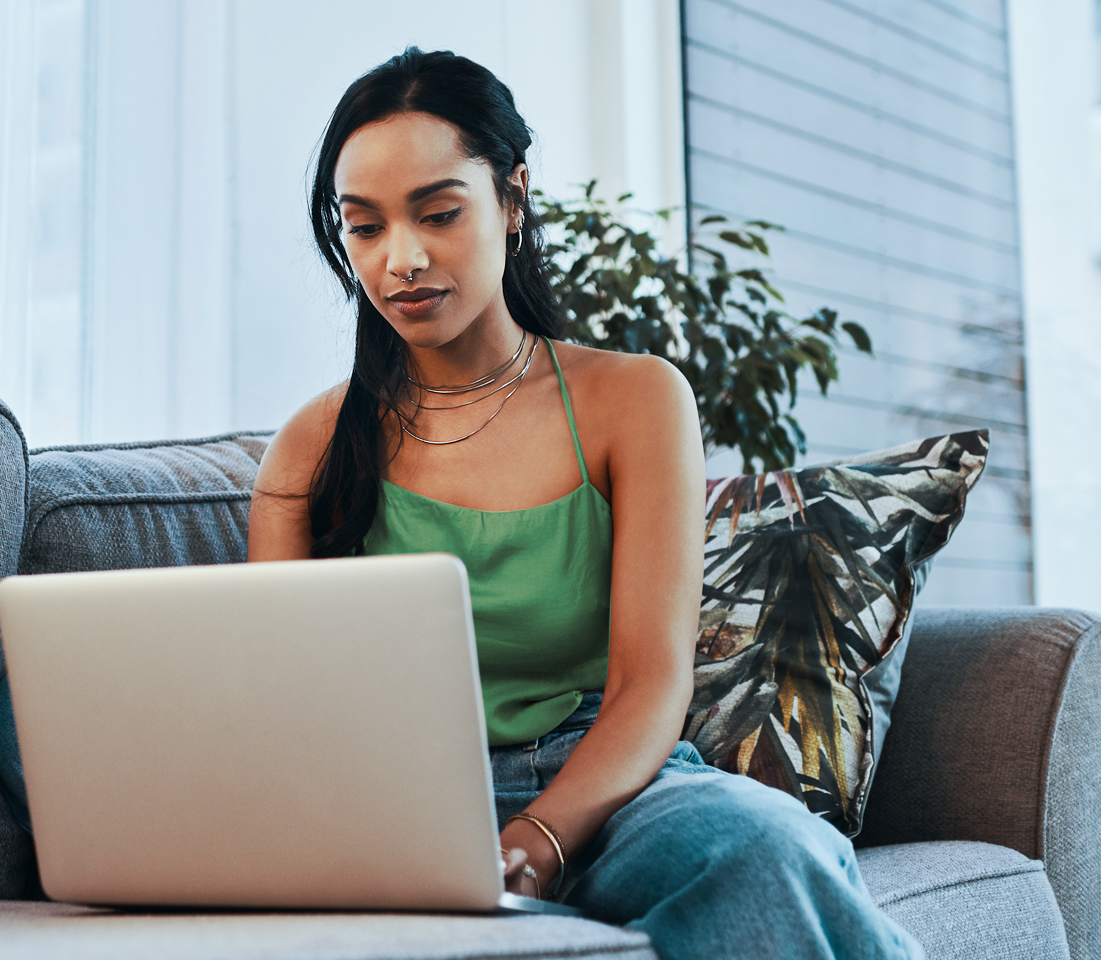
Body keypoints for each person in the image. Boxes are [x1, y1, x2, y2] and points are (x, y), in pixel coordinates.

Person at [247, 47, 923, 960]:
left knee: (758, 847)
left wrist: (538, 840)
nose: (400, 259)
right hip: (395, 800)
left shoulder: (633, 399)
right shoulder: (314, 444)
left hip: (605, 781)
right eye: (364, 228)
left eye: (439, 213)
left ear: (513, 199)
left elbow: (650, 688)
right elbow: (281, 703)